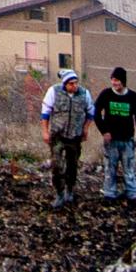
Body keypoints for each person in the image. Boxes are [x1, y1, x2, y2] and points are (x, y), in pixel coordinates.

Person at [40, 68, 95, 204]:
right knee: (57, 166)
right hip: (58, 135)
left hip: (75, 136)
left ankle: (70, 190)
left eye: (76, 83)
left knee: (72, 165)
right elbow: (45, 113)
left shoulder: (84, 94)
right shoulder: (54, 92)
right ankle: (59, 193)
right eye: (71, 83)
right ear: (65, 84)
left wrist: (85, 129)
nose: (74, 86)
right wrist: (45, 132)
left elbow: (90, 112)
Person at [93, 68, 136, 202]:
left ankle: (132, 194)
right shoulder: (106, 94)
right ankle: (110, 194)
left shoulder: (132, 96)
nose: (115, 83)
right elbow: (96, 113)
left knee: (129, 168)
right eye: (113, 80)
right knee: (110, 168)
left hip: (127, 139)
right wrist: (104, 131)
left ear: (123, 81)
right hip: (111, 140)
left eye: (118, 80)